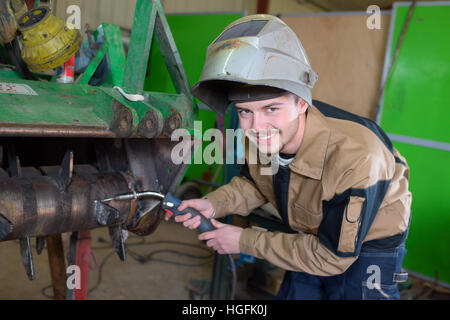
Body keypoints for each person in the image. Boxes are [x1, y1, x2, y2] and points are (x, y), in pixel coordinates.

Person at [165, 14, 412, 300]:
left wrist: (243, 240)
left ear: (302, 103)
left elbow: (332, 256)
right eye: (245, 112)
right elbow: (256, 184)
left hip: (369, 243)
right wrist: (213, 204)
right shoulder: (262, 137)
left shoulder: (358, 157)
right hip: (310, 231)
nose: (256, 128)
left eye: (272, 109)